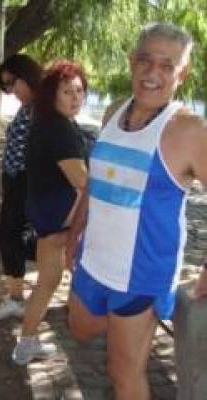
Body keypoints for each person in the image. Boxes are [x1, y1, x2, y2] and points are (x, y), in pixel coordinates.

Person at [66, 22, 207, 400]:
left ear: (183, 73)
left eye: (167, 65)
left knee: (123, 372)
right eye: (145, 60)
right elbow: (96, 179)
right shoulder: (113, 111)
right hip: (93, 257)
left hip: (143, 271)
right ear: (131, 61)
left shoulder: (189, 130)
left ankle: (134, 332)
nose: (152, 73)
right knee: (79, 327)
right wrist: (75, 231)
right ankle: (126, 328)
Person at [12, 60, 88, 365]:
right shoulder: (60, 129)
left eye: (80, 91)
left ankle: (26, 343)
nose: (75, 98)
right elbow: (83, 182)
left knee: (49, 279)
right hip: (59, 214)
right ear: (52, 95)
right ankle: (81, 326)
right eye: (67, 91)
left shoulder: (48, 122)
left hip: (44, 210)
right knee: (56, 278)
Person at [0, 54, 43, 320]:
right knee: (9, 237)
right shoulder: (28, 106)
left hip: (27, 181)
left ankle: (18, 297)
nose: (10, 91)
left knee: (12, 236)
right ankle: (16, 296)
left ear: (27, 76)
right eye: (5, 86)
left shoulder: (43, 107)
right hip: (15, 181)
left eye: (12, 83)